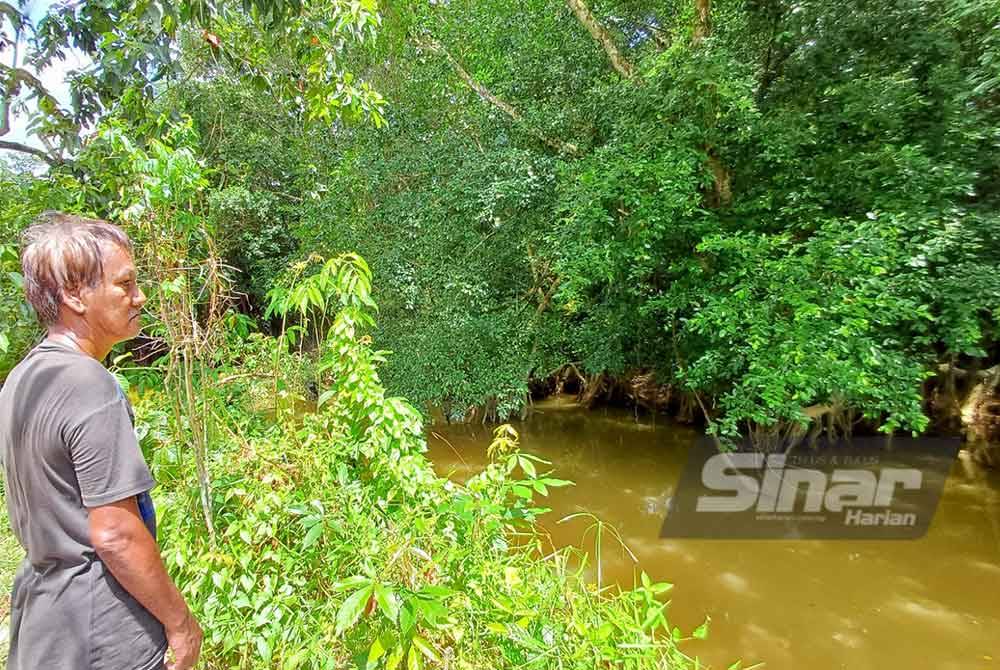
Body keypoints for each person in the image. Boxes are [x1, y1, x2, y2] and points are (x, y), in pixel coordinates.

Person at [0, 213, 202, 670]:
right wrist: (181, 623)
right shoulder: (90, 385)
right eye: (124, 284)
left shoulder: (22, 379)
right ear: (74, 295)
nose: (140, 297)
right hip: (103, 633)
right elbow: (114, 533)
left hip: (45, 626)